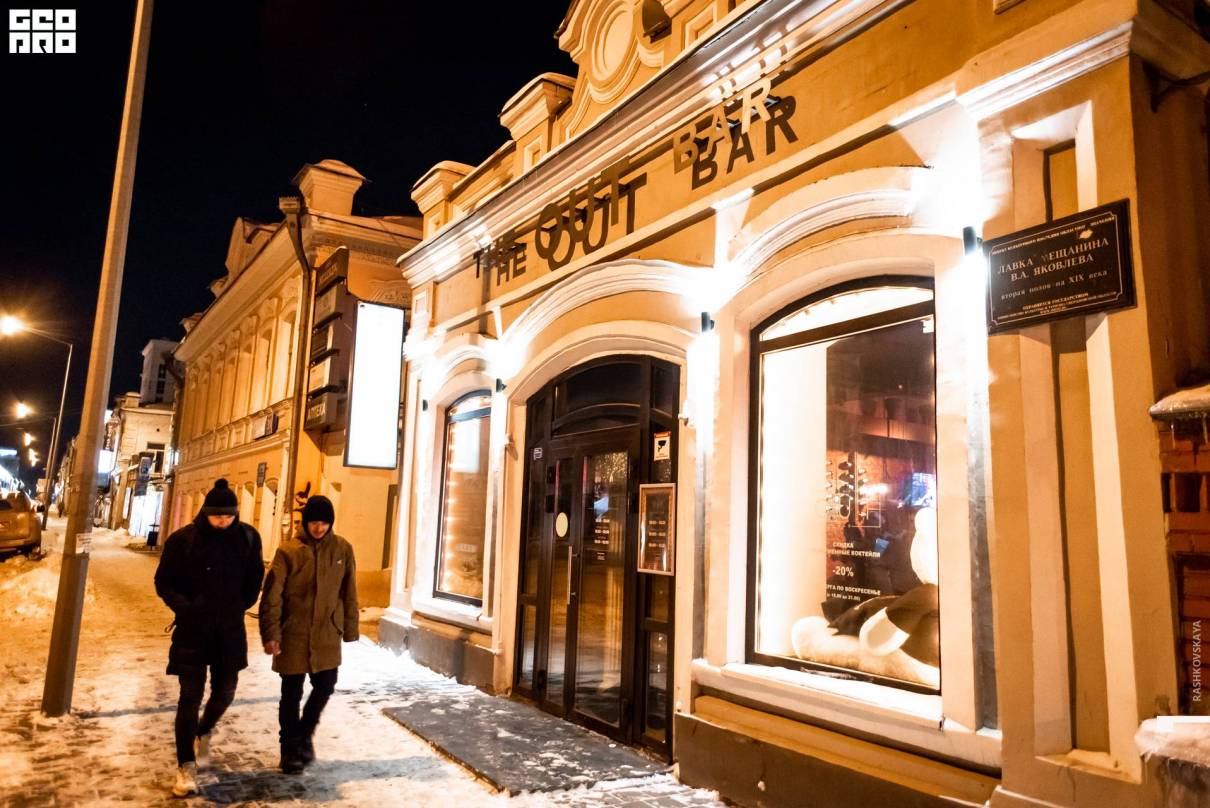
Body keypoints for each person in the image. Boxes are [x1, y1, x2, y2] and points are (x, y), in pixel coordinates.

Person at [154, 478, 264, 798]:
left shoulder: (247, 538)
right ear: (206, 513)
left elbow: (255, 577)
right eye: (218, 516)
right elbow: (164, 582)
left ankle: (202, 731)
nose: (223, 522)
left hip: (229, 630)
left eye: (229, 516)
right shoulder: (183, 540)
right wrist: (187, 607)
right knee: (190, 697)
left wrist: (239, 604)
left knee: (226, 691)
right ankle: (186, 766)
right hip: (193, 630)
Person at [259, 495, 359, 774]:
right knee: (291, 693)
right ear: (305, 522)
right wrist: (271, 633)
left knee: (326, 684)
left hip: (327, 632)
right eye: (314, 522)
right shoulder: (288, 551)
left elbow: (349, 591)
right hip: (294, 632)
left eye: (324, 523)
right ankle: (289, 751)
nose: (318, 528)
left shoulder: (342, 549)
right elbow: (272, 597)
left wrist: (350, 628)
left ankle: (304, 735)